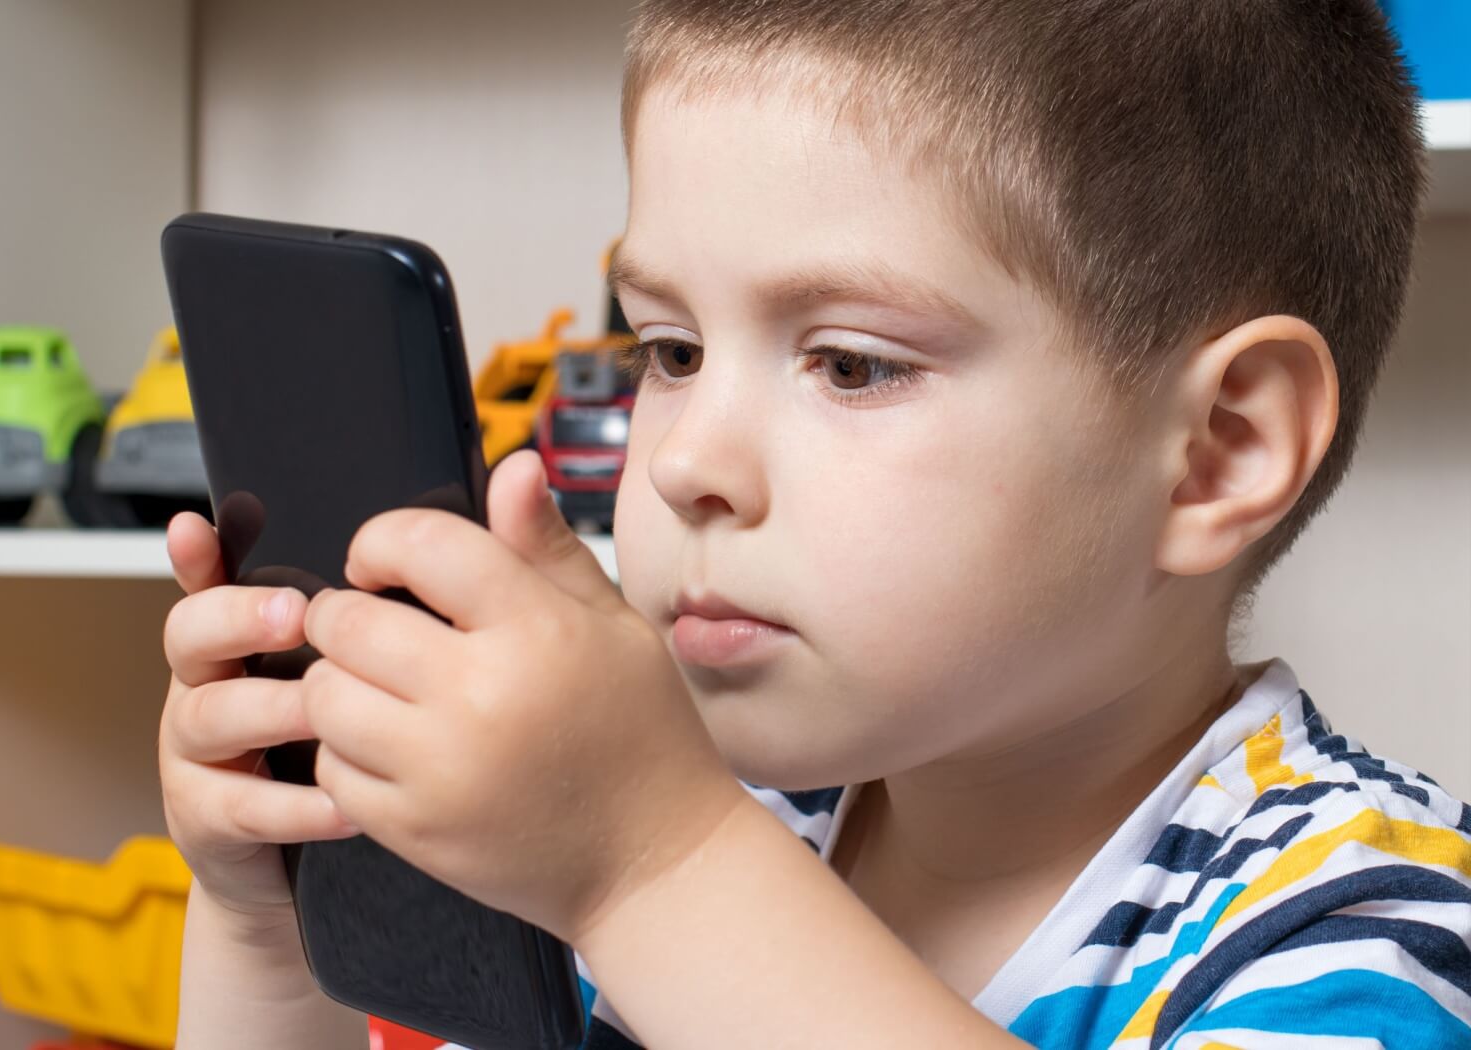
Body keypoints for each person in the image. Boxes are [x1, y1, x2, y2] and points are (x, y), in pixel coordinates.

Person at [156, 1, 1470, 1046]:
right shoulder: (705, 823)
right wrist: (269, 941)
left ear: (1218, 451)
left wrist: (652, 864)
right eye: (669, 349)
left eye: (850, 362)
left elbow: (662, 863)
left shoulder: (1361, 924)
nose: (685, 465)